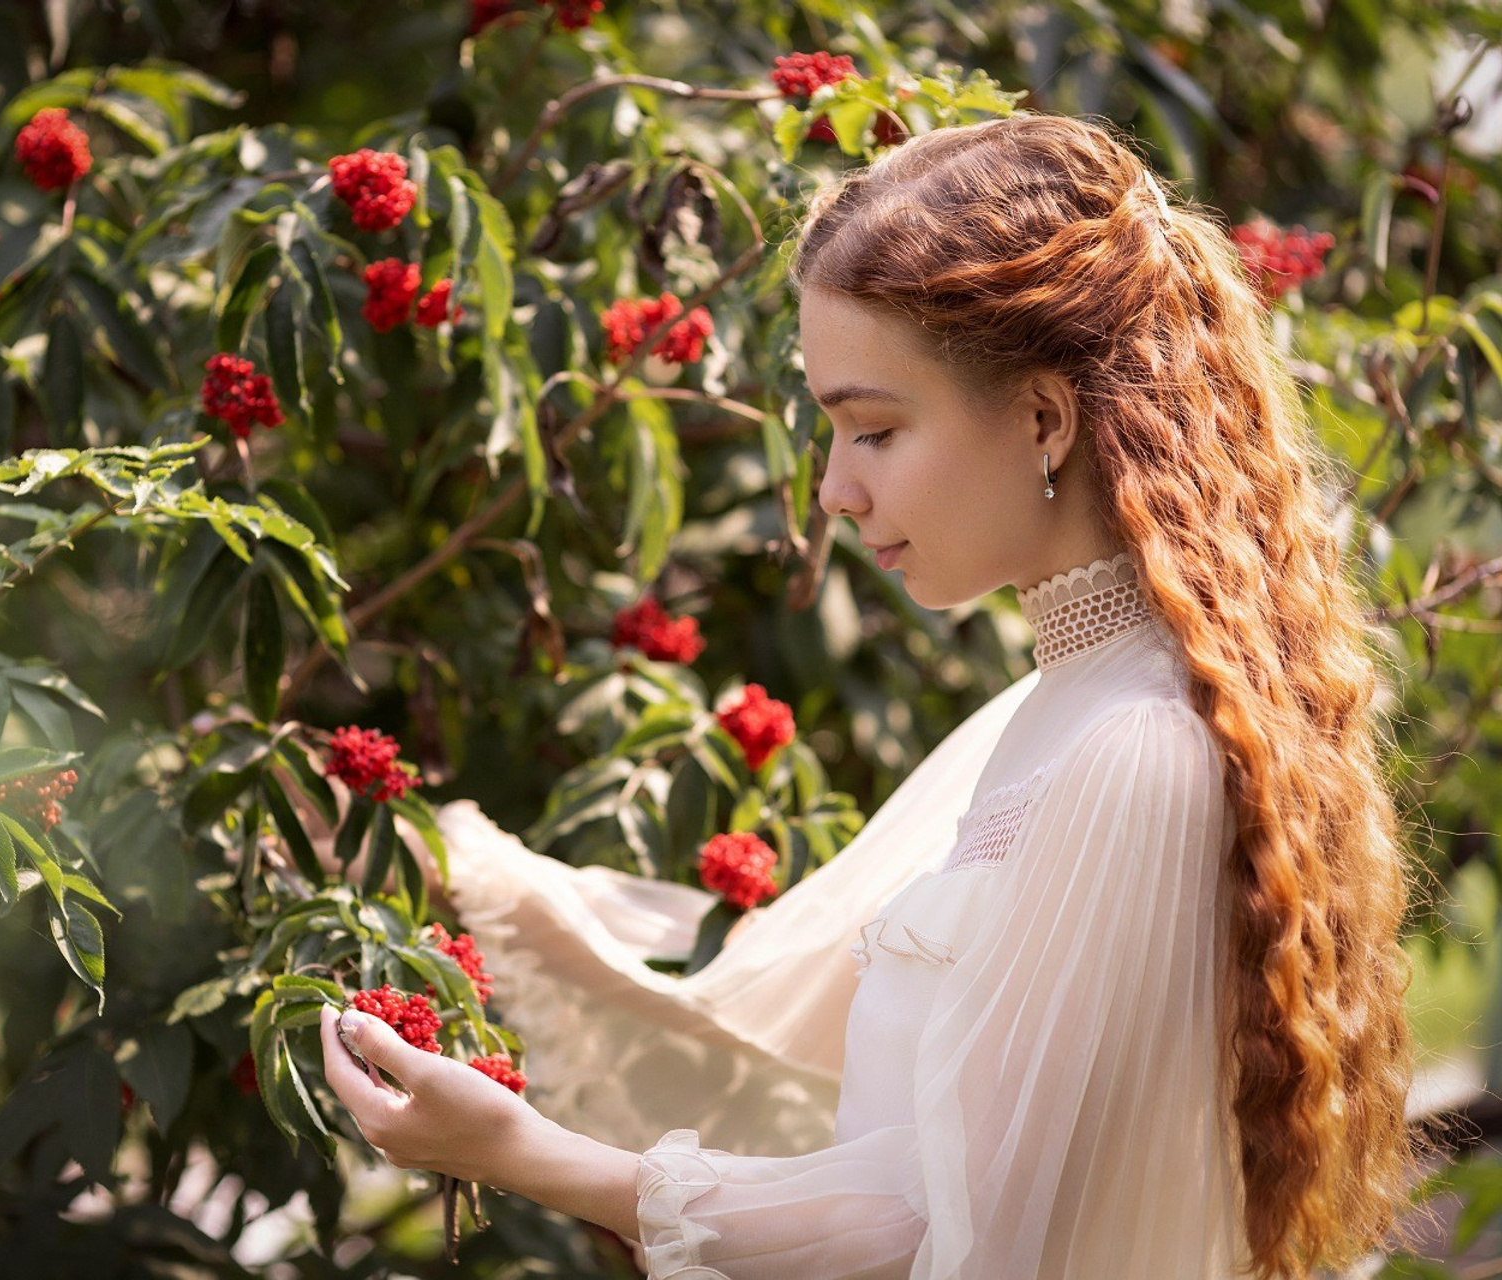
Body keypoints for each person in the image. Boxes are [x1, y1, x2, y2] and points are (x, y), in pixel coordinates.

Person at [316, 111, 1419, 1279]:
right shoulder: (1058, 703)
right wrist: (433, 867)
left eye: (875, 430)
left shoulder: (1131, 743)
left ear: (1044, 418)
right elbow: (771, 985)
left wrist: (532, 1154)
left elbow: (943, 1221)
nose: (836, 489)